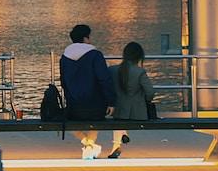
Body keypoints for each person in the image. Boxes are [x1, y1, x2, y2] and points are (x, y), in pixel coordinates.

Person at [59, 24, 116, 158]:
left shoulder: (65, 58)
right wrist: (111, 101)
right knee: (95, 116)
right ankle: (90, 146)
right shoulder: (95, 55)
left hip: (74, 107)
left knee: (71, 119)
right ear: (86, 38)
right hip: (96, 107)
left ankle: (88, 145)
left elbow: (63, 82)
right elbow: (104, 79)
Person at [108, 41, 156, 158]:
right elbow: (150, 92)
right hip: (137, 113)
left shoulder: (112, 70)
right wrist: (146, 100)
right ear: (139, 57)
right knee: (121, 119)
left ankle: (118, 142)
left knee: (119, 120)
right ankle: (120, 139)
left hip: (118, 111)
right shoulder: (139, 72)